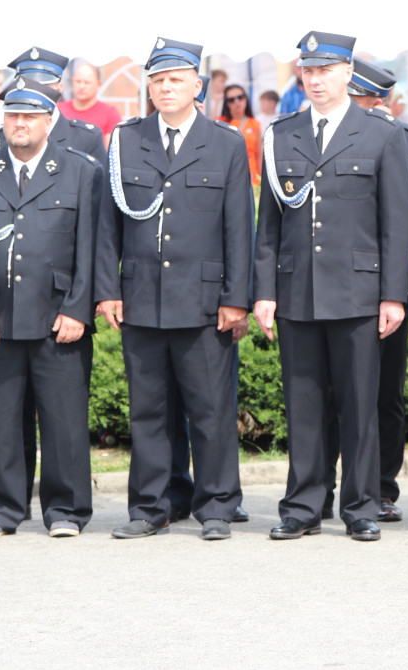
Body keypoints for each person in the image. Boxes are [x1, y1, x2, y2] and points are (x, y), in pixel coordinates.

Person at [254, 31, 408, 542]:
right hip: (297, 288)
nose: (316, 79)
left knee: (359, 402)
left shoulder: (380, 134)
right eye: (309, 71)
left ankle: (362, 504)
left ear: (348, 72)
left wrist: (393, 294)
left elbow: (397, 223)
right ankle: (302, 505)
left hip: (358, 292)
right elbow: (269, 225)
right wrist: (264, 290)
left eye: (326, 70)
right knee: (303, 402)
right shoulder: (282, 134)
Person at [96, 37, 252, 541]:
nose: (166, 88)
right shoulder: (126, 139)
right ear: (148, 87)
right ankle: (152, 506)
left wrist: (235, 298)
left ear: (197, 86)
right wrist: (107, 289)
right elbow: (107, 226)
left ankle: (217, 507)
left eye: (176, 79)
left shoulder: (224, 142)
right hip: (141, 297)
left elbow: (238, 228)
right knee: (149, 410)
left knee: (210, 409)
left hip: (205, 301)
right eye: (158, 80)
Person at [0, 77, 102, 538]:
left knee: (65, 420)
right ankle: (0, 509)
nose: (20, 123)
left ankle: (66, 511)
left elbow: (93, 247)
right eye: (13, 115)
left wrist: (79, 309)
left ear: (49, 120)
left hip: (59, 318)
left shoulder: (81, 171)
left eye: (30, 116)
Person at [321, 58, 408, 523]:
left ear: (376, 101)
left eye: (360, 101)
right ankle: (323, 488)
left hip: (383, 291)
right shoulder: (320, 134)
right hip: (330, 287)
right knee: (329, 396)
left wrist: (384, 143)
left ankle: (381, 488)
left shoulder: (407, 140)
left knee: (383, 396)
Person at [0, 48, 105, 162]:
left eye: (43, 88)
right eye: (28, 87)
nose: (35, 94)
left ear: (60, 89)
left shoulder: (87, 138)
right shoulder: (2, 136)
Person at [57, 60, 122, 146]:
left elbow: (110, 150)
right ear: (72, 82)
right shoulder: (58, 109)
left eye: (87, 82)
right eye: (78, 81)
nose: (81, 86)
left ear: (98, 85)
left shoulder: (110, 114)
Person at [219, 84, 261, 184]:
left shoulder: (255, 124)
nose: (237, 102)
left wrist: (261, 179)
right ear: (227, 103)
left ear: (246, 99)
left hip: (252, 177)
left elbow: (259, 155)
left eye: (240, 97)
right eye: (231, 100)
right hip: (228, 176)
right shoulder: (219, 123)